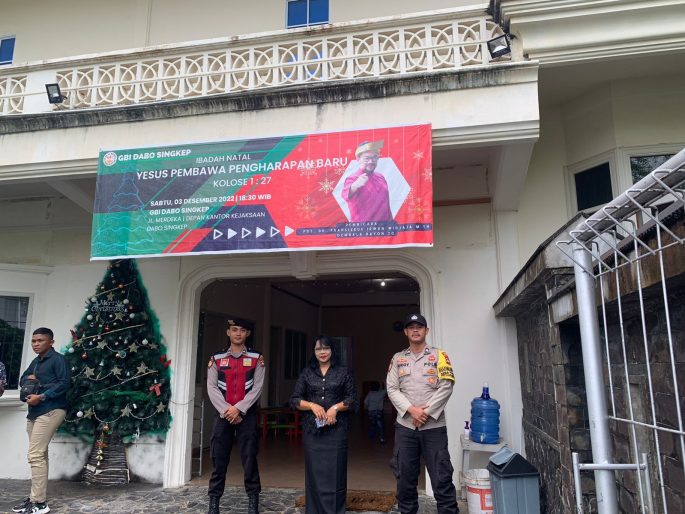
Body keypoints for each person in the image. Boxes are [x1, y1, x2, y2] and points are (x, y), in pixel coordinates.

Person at [386, 314, 459, 514]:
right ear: (406, 332)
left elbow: (447, 386)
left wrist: (425, 413)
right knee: (405, 479)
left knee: (442, 478)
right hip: (406, 428)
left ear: (426, 331)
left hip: (434, 428)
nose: (415, 330)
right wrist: (412, 410)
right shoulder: (398, 358)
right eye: (411, 327)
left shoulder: (440, 355)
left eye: (419, 327)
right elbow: (392, 388)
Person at [290, 336, 357, 514]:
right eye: (318, 349)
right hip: (313, 431)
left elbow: (352, 399)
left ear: (332, 350)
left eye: (326, 348)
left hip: (337, 430)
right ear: (314, 352)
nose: (322, 352)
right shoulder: (307, 373)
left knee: (336, 471)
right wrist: (312, 405)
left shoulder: (343, 372)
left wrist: (335, 408)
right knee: (315, 472)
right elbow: (295, 400)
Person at [206, 319, 265, 514]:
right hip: (223, 415)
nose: (238, 333)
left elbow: (257, 387)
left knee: (249, 458)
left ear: (247, 334)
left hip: (246, 415)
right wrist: (227, 410)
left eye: (242, 330)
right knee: (218, 458)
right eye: (234, 330)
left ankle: (253, 501)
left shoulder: (257, 358)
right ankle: (214, 502)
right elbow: (211, 387)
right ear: (228, 332)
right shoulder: (216, 358)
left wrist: (239, 409)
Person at [13, 327, 71, 514]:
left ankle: (39, 503)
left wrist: (42, 395)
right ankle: (35, 498)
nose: (36, 344)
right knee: (40, 454)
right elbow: (23, 379)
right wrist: (29, 380)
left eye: (40, 341)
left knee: (35, 455)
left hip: (51, 410)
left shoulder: (58, 359)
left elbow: (64, 383)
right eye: (33, 341)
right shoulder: (36, 361)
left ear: (51, 342)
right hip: (34, 412)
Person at [342, 140, 393, 222]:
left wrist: (391, 223)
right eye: (367, 158)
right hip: (363, 229)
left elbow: (386, 206)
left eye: (374, 157)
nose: (371, 161)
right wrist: (354, 186)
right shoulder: (353, 179)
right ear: (358, 159)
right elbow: (345, 195)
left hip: (384, 228)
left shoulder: (380, 177)